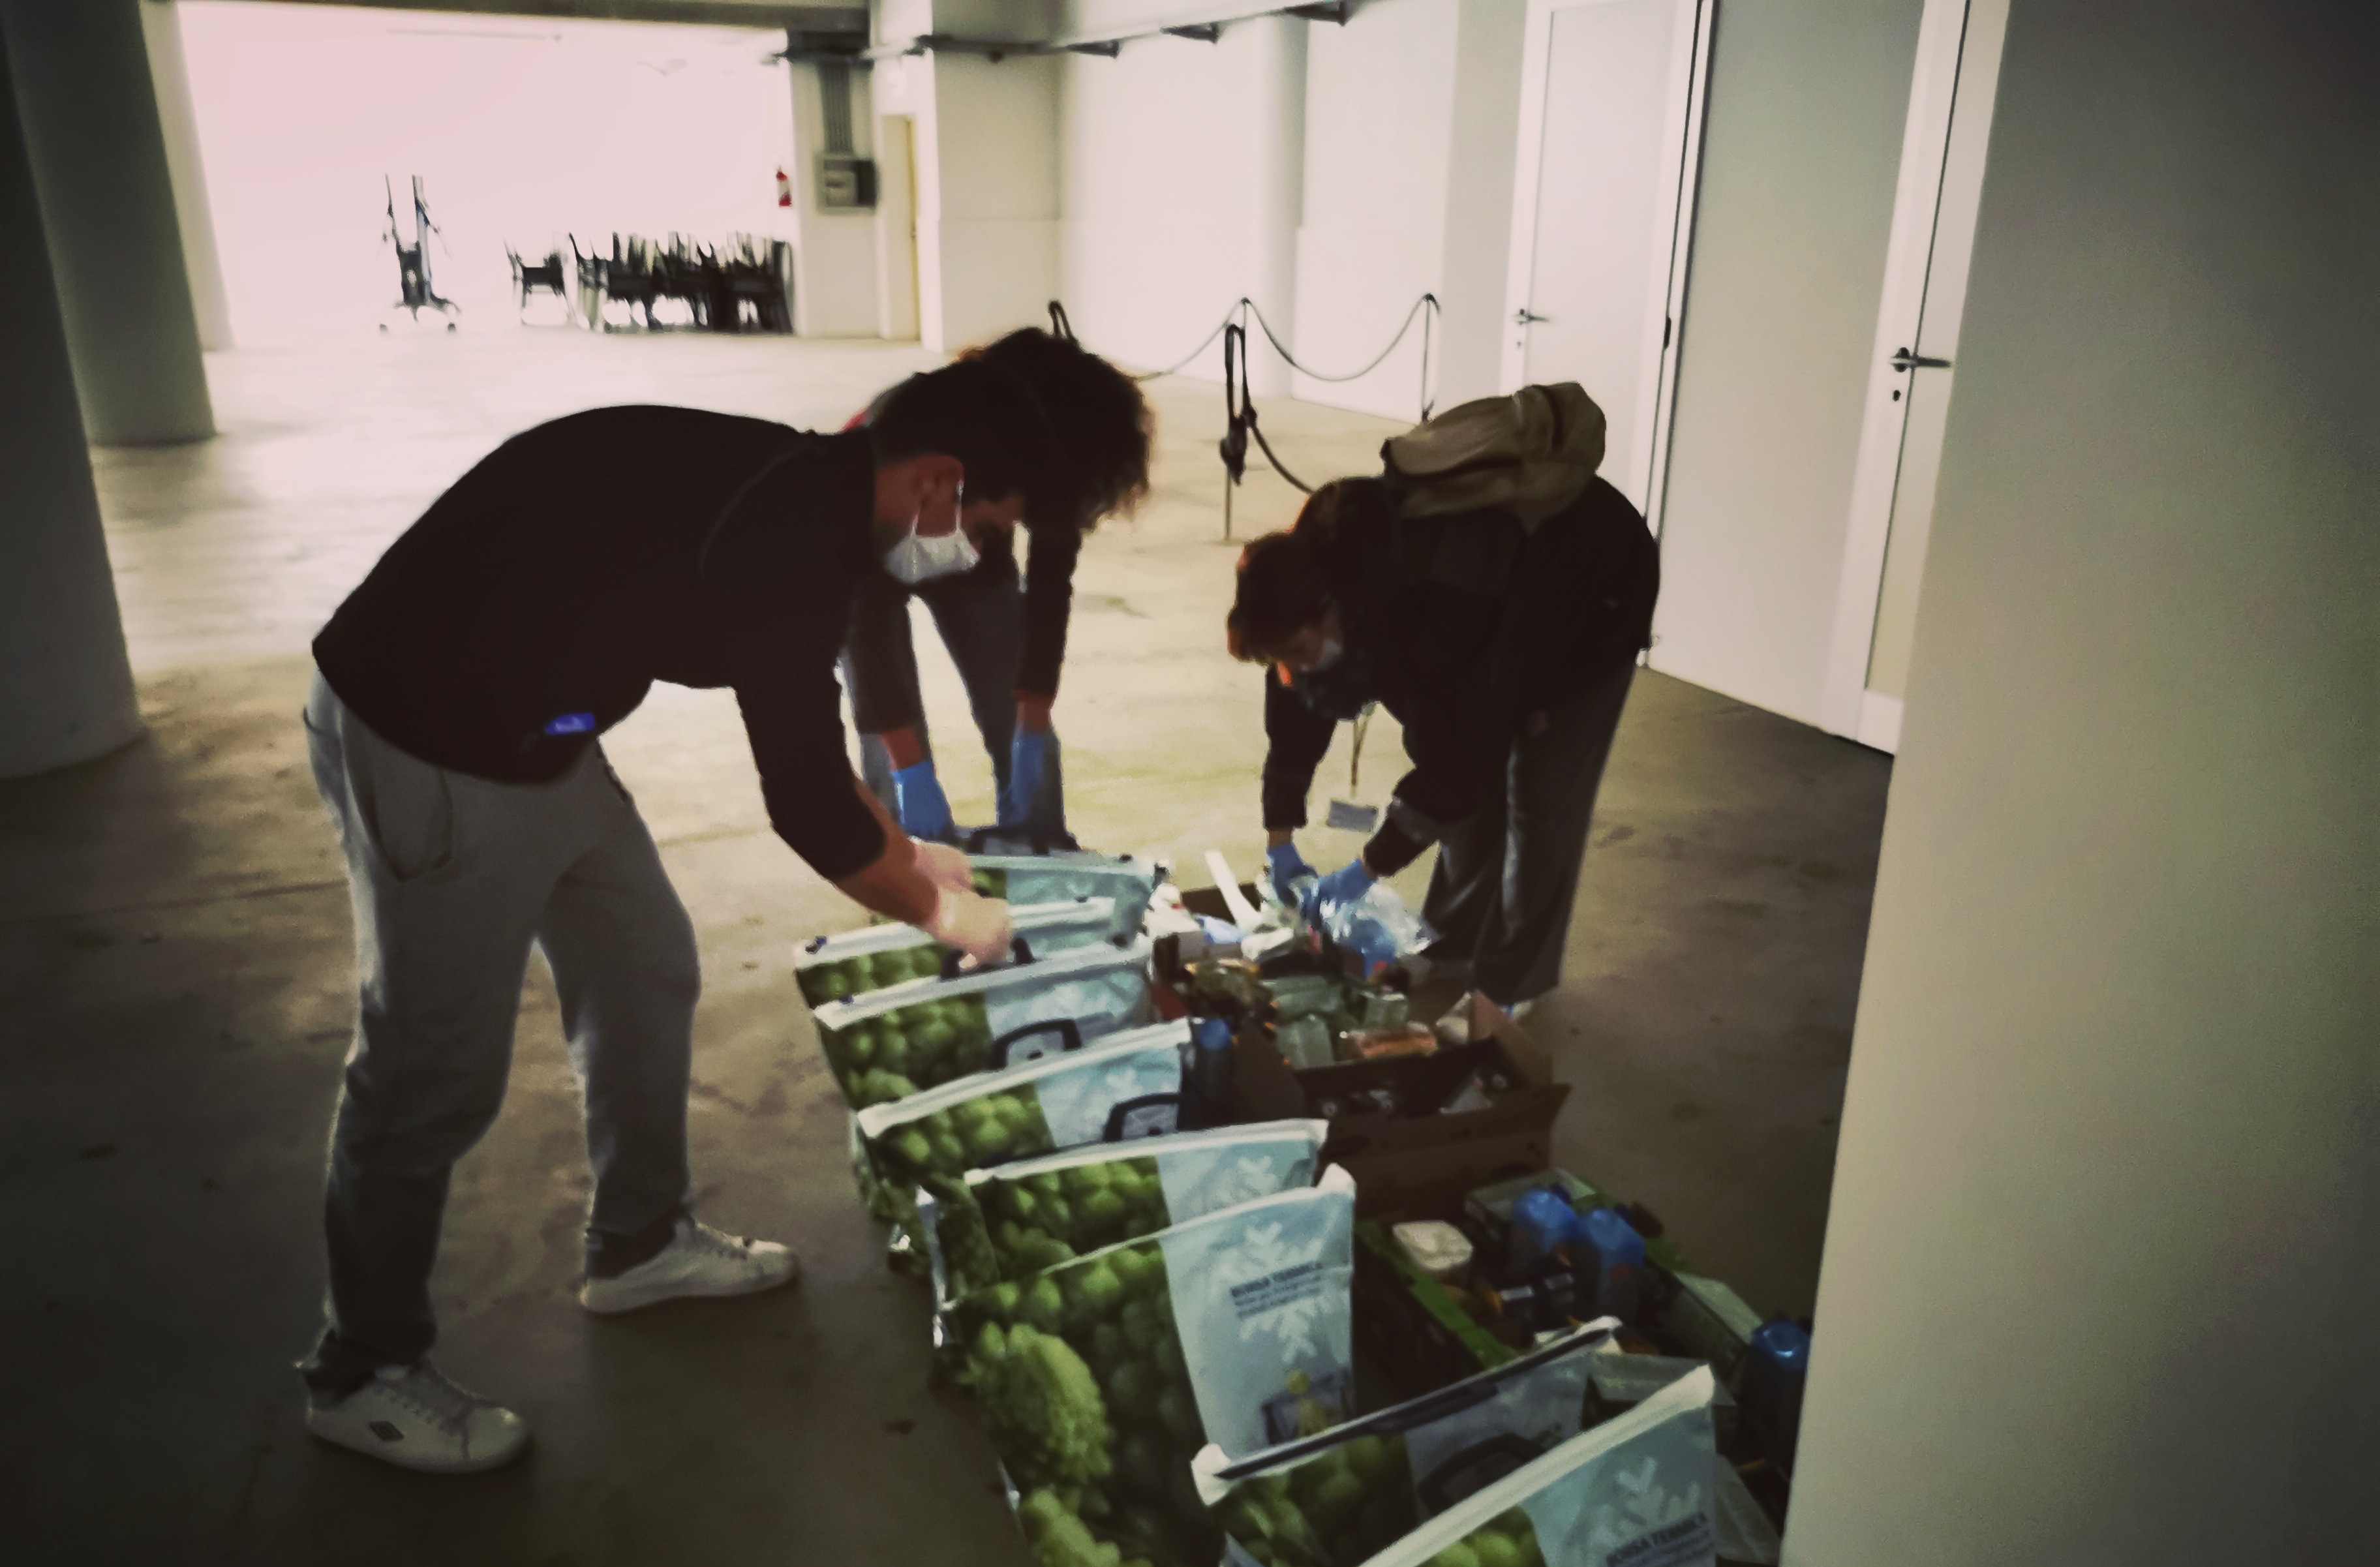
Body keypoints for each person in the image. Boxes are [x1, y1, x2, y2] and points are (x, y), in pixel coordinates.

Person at [298, 359, 1060, 1473]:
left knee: (645, 966)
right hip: (433, 739)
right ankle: (359, 1367)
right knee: (430, 1069)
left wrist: (913, 854)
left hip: (541, 735)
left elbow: (808, 730)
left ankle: (637, 1245)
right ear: (938, 483)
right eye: (987, 527)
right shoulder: (791, 534)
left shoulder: (816, 496)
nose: (977, 552)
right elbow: (805, 805)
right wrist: (955, 919)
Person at [1227, 469, 1659, 1016]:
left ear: (1331, 611)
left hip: (1589, 595)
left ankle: (1511, 988)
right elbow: (1294, 714)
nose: (1295, 667)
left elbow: (1459, 763)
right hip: (1500, 610)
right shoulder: (1300, 588)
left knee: (1540, 803)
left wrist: (1366, 868)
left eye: (1299, 649)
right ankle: (1452, 949)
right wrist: (1280, 838)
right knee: (1462, 790)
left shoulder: (1435, 611)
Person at [843, 327, 1152, 842]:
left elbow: (1050, 593)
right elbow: (864, 628)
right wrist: (909, 769)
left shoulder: (1054, 469)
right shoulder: (881, 460)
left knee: (1013, 712)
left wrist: (1030, 721)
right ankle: (900, 869)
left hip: (973, 543)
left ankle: (1042, 853)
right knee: (889, 737)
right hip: (869, 556)